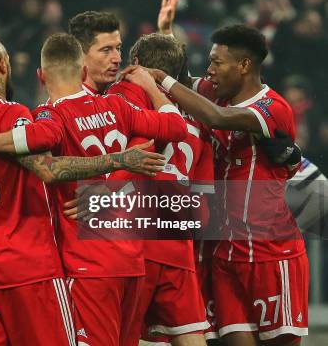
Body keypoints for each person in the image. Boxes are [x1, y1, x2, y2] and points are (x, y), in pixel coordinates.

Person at [0, 33, 189, 345]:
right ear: (83, 72)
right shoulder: (117, 106)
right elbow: (176, 127)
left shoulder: (49, 115)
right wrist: (152, 87)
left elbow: (42, 142)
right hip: (132, 261)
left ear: (41, 76)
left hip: (86, 263)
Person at [126, 24, 308, 346]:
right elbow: (180, 79)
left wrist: (159, 77)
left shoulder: (272, 108)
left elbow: (216, 118)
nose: (209, 71)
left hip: (270, 251)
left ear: (244, 65)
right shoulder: (213, 92)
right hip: (224, 253)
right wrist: (166, 35)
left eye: (217, 63)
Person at [117, 33, 214, 346]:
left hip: (139, 241)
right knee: (189, 335)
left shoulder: (132, 104)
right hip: (179, 246)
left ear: (136, 66)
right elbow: (204, 204)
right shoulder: (198, 122)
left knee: (126, 336)